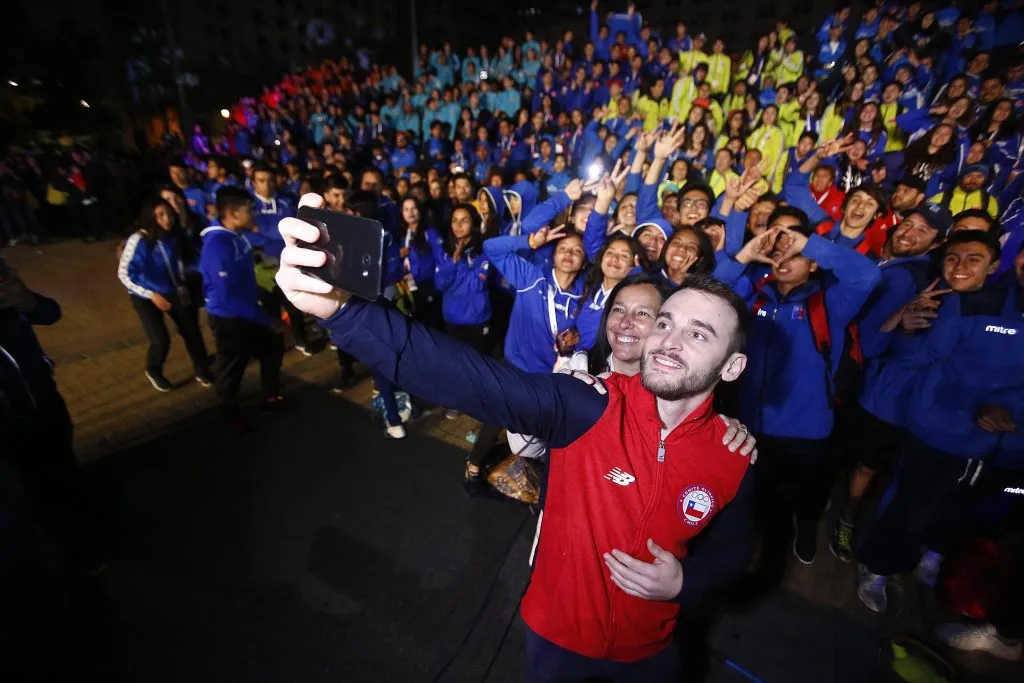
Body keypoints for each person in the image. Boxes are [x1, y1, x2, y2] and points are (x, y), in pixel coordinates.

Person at [278, 193, 756, 683]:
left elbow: (733, 552)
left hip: (652, 656)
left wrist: (685, 580)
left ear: (733, 365)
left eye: (698, 335)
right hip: (558, 646)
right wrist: (346, 313)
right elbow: (469, 378)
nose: (668, 341)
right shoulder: (588, 403)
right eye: (665, 323)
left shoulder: (735, 456)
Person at [856, 231, 1023, 614]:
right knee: (909, 506)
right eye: (952, 258)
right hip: (938, 429)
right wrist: (906, 327)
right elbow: (918, 358)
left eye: (973, 259)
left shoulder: (1006, 308)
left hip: (1000, 442)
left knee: (960, 507)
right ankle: (878, 567)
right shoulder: (962, 305)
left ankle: (931, 554)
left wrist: (1007, 408)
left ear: (993, 266)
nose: (960, 267)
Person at [716, 206, 880, 567]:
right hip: (751, 421)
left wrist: (811, 243)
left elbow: (867, 276)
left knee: (806, 493)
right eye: (779, 251)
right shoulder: (756, 296)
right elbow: (713, 294)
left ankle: (804, 529)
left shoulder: (829, 302)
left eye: (796, 253)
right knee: (755, 492)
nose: (785, 257)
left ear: (814, 264)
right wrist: (744, 254)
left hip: (807, 428)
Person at [199, 186, 285, 429]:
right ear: (233, 213)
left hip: (248, 312)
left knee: (271, 347)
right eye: (249, 209)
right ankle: (229, 411)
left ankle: (270, 396)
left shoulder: (237, 237)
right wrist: (267, 319)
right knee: (232, 366)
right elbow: (227, 296)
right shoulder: (217, 245)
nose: (254, 214)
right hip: (228, 318)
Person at [117, 198, 213, 392]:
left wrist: (186, 280)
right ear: (150, 217)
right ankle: (154, 369)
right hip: (145, 295)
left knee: (192, 331)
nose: (167, 219)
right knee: (160, 339)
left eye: (169, 214)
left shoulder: (173, 237)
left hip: (173, 291)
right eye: (160, 215)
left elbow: (179, 265)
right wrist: (151, 294)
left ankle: (202, 370)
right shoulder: (139, 240)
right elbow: (124, 273)